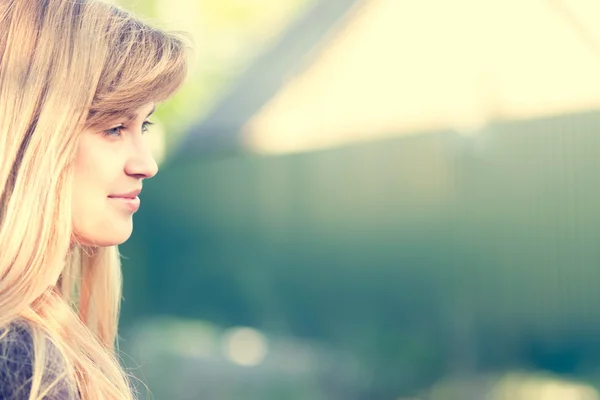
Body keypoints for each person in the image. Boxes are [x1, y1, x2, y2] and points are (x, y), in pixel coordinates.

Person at [0, 0, 189, 398]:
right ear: (31, 133)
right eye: (116, 127)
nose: (147, 164)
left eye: (145, 123)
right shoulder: (22, 364)